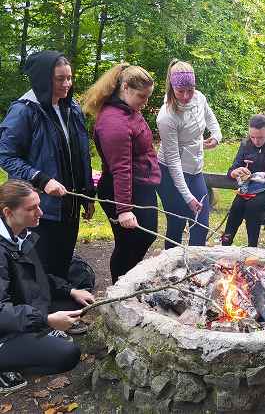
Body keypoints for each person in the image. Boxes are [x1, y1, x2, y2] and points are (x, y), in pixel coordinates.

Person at [0, 51, 95, 283]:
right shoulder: (24, 111)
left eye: (69, 78)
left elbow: (81, 154)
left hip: (68, 207)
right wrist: (41, 179)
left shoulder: (71, 108)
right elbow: (6, 155)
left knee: (61, 266)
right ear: (44, 79)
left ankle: (60, 312)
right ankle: (39, 316)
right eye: (59, 79)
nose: (67, 84)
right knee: (39, 272)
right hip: (40, 210)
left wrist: (87, 195)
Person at [0, 180, 95, 391]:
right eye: (32, 208)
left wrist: (71, 290)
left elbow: (38, 276)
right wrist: (46, 321)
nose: (40, 213)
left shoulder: (19, 234)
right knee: (67, 355)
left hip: (18, 308)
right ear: (8, 211)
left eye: (39, 205)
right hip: (4, 326)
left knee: (80, 302)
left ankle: (33, 336)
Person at [82, 64, 160, 283]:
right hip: (121, 190)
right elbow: (121, 169)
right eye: (141, 97)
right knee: (128, 243)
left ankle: (130, 281)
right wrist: (124, 209)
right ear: (125, 87)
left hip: (141, 186)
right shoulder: (113, 122)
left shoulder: (129, 111)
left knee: (146, 235)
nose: (144, 103)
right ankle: (120, 286)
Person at [156, 59, 222, 248]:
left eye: (190, 90)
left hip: (194, 170)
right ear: (171, 88)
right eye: (180, 91)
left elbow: (210, 117)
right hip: (170, 173)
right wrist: (187, 196)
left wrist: (216, 136)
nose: (186, 96)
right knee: (176, 224)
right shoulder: (166, 117)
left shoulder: (199, 97)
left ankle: (195, 268)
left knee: (201, 224)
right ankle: (173, 270)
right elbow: (174, 160)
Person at [221, 114, 265, 247]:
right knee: (236, 206)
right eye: (252, 137)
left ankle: (252, 246)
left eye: (260, 137)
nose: (256, 141)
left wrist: (264, 175)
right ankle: (225, 243)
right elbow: (233, 168)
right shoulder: (246, 144)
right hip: (248, 189)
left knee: (252, 206)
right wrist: (234, 172)